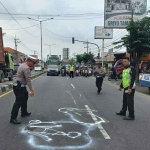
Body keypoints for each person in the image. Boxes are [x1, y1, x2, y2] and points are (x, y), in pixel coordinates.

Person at [10, 56, 39, 124]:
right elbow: (28, 80)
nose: (34, 64)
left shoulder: (23, 65)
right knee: (18, 102)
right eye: (33, 63)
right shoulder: (26, 68)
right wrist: (32, 90)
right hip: (19, 87)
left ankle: (24, 112)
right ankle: (13, 118)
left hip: (20, 86)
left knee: (25, 97)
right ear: (29, 61)